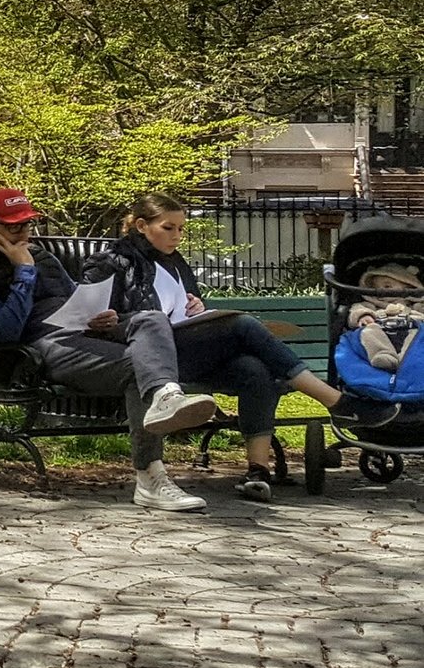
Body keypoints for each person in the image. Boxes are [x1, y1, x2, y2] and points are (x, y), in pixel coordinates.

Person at [83, 191, 398, 502]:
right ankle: (337, 403)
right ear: (141, 225)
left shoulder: (175, 262)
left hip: (188, 346)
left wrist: (195, 304)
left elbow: (186, 305)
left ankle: (257, 473)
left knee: (253, 369)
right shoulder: (112, 261)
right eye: (168, 228)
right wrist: (114, 318)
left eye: (181, 229)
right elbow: (91, 313)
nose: (177, 236)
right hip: (153, 358)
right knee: (243, 325)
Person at [0, 186, 222, 513]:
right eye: (13, 226)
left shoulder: (42, 258)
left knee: (150, 319)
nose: (23, 232)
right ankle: (151, 478)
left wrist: (97, 317)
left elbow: (73, 300)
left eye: (27, 224)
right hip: (37, 350)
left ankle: (167, 397)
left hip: (81, 335)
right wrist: (23, 271)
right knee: (139, 368)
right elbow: (6, 330)